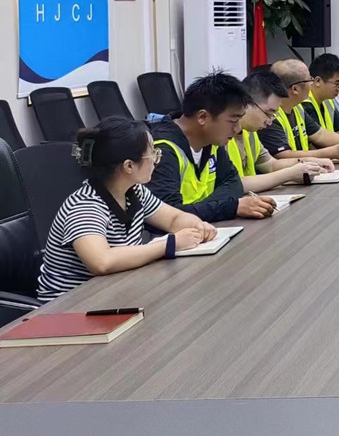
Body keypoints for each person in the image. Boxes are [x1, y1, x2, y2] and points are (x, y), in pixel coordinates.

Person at [38, 117, 218, 302]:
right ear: (129, 166)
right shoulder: (85, 206)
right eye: (152, 153)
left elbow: (173, 219)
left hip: (114, 292)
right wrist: (169, 244)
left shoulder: (135, 192)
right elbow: (102, 262)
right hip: (70, 305)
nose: (156, 160)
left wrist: (198, 227)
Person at [148, 72, 276, 222]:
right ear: (203, 117)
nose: (237, 129)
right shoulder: (162, 150)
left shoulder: (211, 140)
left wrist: (206, 208)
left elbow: (233, 182)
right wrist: (229, 207)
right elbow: (167, 215)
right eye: (233, 121)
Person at [228, 71, 334, 191]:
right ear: (247, 103)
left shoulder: (250, 133)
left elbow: (271, 164)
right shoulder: (221, 137)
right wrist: (289, 174)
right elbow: (234, 184)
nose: (269, 122)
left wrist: (307, 162)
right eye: (268, 113)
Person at [260, 59, 339, 161]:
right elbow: (283, 155)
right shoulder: (271, 116)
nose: (311, 84)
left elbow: (320, 134)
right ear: (295, 89)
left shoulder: (297, 108)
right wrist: (331, 152)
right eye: (309, 80)